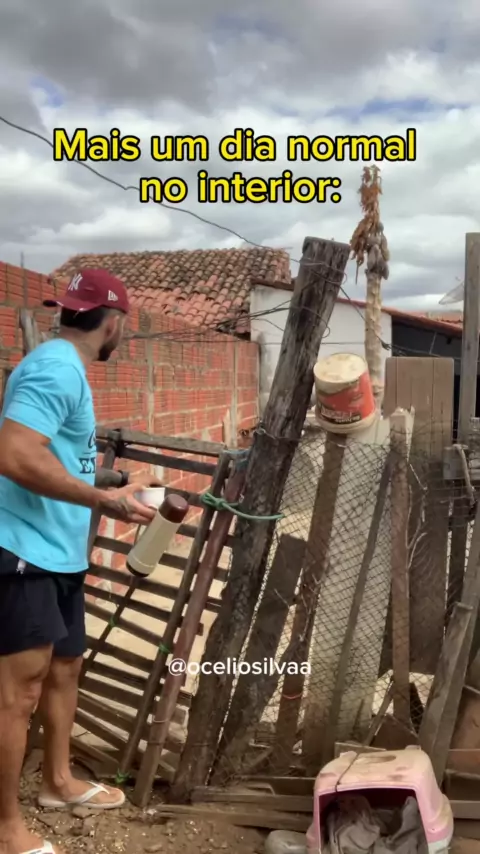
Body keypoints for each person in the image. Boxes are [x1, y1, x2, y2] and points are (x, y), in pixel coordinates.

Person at [0, 269, 162, 854]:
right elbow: (15, 454)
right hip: (24, 547)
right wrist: (101, 500)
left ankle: (58, 782)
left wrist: (114, 486)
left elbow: (60, 455)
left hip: (59, 551)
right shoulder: (54, 368)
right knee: (19, 691)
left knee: (66, 668)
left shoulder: (65, 366)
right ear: (115, 323)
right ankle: (6, 827)